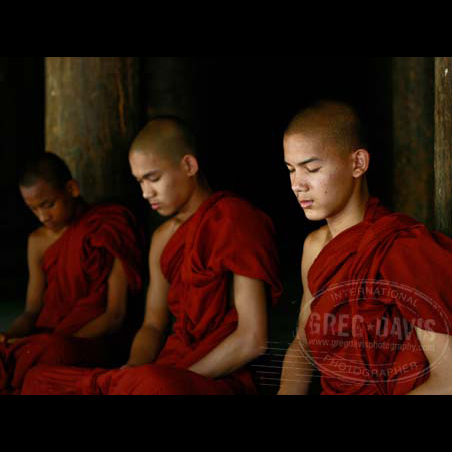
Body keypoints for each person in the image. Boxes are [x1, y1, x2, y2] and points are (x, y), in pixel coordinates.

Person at [23, 117, 282, 395]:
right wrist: (133, 368)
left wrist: (173, 379)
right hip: (167, 368)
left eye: (153, 178)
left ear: (188, 166)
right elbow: (153, 324)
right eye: (139, 182)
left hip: (217, 375)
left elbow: (252, 339)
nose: (146, 193)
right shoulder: (162, 239)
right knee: (38, 379)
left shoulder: (234, 219)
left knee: (155, 386)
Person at [278, 100, 452, 396]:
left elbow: (448, 380)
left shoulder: (402, 248)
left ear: (358, 163)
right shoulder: (313, 247)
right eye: (291, 169)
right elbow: (303, 344)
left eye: (312, 168)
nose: (297, 184)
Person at [0, 153, 144, 395]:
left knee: (40, 359)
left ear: (72, 189)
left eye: (48, 205)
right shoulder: (37, 241)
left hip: (92, 342)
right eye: (33, 209)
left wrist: (61, 343)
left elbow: (115, 315)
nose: (43, 216)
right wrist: (9, 337)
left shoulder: (108, 227)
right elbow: (32, 310)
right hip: (47, 341)